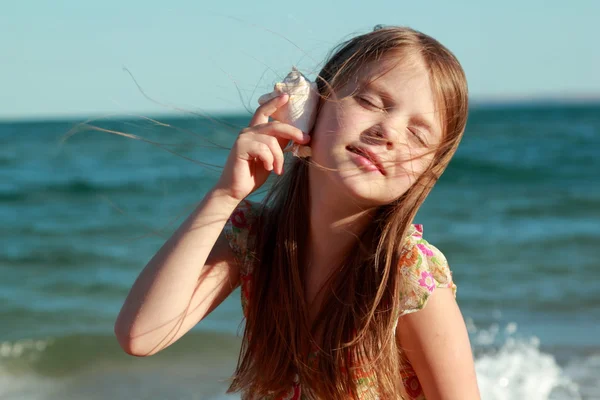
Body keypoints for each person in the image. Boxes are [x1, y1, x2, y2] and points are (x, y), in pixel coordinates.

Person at [114, 25, 480, 399]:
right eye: (370, 102)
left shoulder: (407, 279)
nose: (389, 131)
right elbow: (141, 335)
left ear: (427, 173)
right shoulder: (255, 240)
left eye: (418, 134)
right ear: (314, 106)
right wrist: (226, 194)